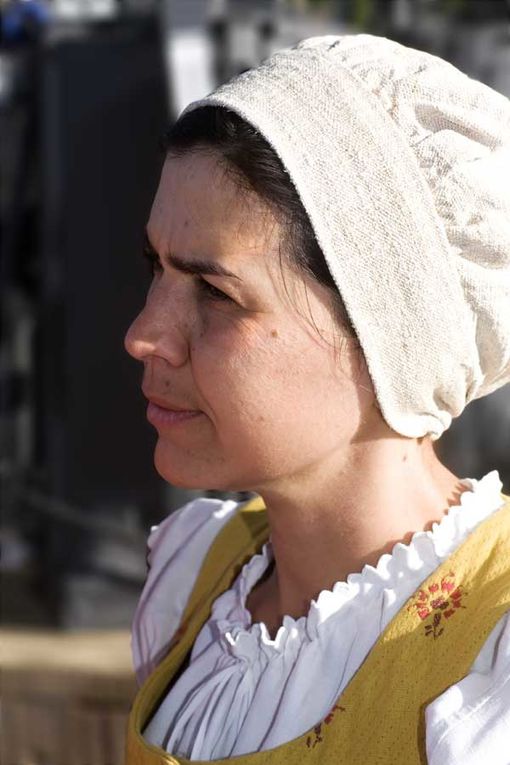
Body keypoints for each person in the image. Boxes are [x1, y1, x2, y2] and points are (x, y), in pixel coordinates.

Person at [123, 34, 510, 765]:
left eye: (214, 292)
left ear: (390, 332)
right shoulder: (195, 576)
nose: (145, 335)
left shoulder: (491, 665)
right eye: (155, 267)